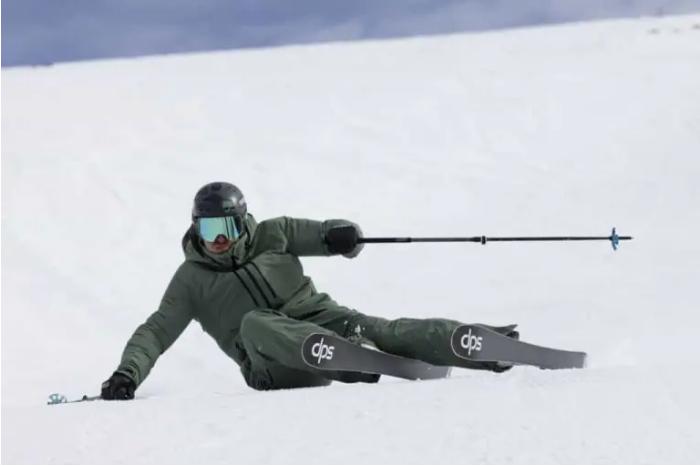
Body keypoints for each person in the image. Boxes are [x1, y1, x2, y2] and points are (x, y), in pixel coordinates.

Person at [101, 182, 517, 399]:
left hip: (323, 323)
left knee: (383, 329)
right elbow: (155, 331)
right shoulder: (190, 280)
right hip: (272, 366)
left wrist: (343, 236)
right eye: (209, 230)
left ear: (243, 223)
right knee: (254, 322)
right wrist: (126, 375)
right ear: (196, 229)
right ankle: (348, 357)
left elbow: (323, 235)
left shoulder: (274, 234)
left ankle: (486, 347)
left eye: (226, 227)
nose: (219, 239)